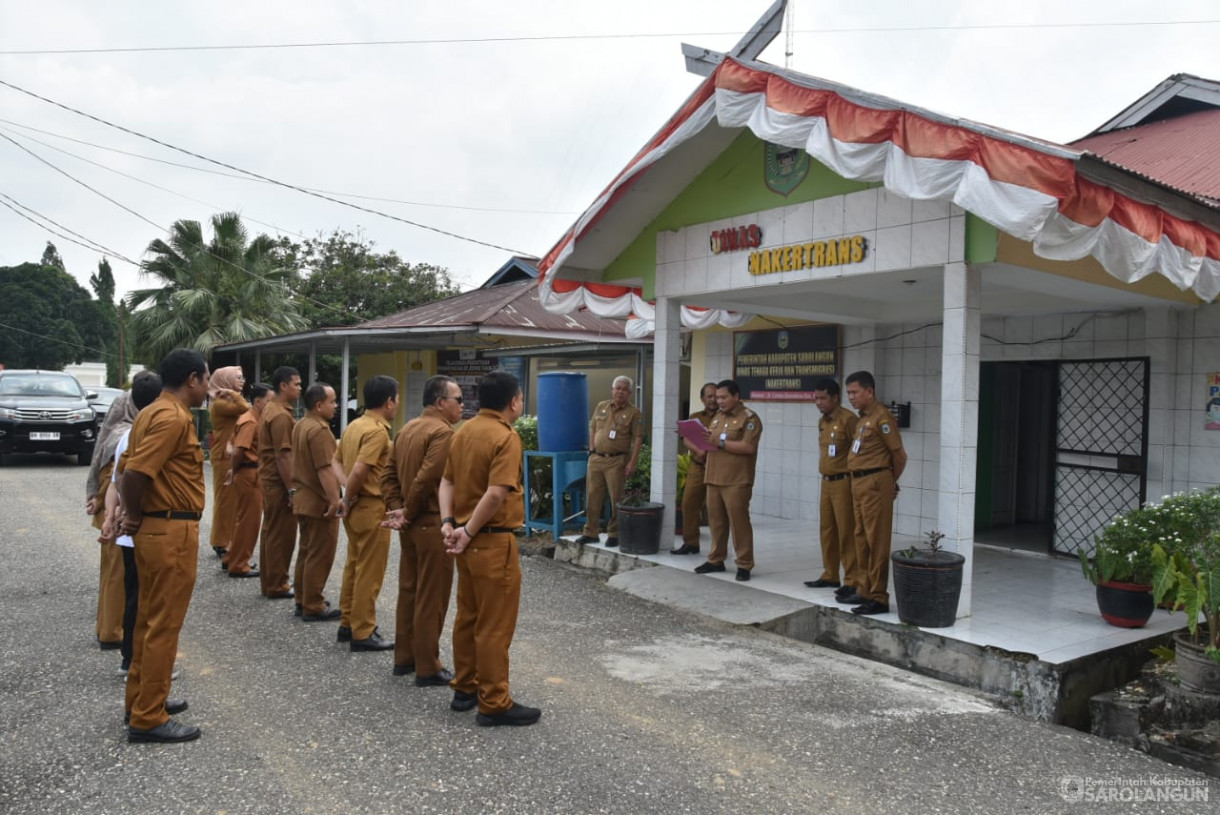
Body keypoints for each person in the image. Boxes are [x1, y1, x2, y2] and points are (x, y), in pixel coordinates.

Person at [118, 349, 210, 743]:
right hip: (168, 529)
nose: (207, 387)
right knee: (162, 626)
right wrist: (134, 515)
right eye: (206, 379)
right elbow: (135, 474)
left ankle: (143, 699)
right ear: (192, 379)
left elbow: (127, 467)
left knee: (148, 622)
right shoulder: (171, 417)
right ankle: (148, 717)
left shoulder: (152, 412)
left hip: (161, 529)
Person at [439, 369, 539, 727]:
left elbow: (446, 480)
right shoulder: (505, 437)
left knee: (468, 617)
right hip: (493, 540)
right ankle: (494, 700)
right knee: (494, 625)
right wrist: (465, 529)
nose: (521, 405)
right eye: (521, 399)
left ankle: (465, 687)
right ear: (513, 402)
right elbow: (497, 493)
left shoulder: (463, 431)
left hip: (467, 543)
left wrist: (449, 522)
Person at [383, 375, 461, 684]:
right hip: (429, 522)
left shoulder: (408, 427)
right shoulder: (443, 433)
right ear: (441, 403)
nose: (462, 406)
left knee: (409, 591)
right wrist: (408, 511)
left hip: (411, 523)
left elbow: (388, 473)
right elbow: (428, 478)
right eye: (458, 399)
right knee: (432, 596)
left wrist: (398, 508)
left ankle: (404, 657)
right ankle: (427, 665)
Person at [99, 371, 163, 676]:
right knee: (144, 601)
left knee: (136, 597)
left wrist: (110, 517)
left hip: (129, 531)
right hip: (143, 530)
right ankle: (138, 663)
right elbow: (129, 478)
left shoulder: (127, 434)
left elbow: (114, 482)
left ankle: (132, 660)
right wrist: (130, 516)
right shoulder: (150, 433)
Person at [335, 375, 399, 651]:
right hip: (371, 505)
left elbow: (336, 462)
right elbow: (361, 468)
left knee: (354, 565)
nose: (396, 406)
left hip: (355, 506)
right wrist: (350, 495)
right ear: (388, 402)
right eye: (396, 400)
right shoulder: (376, 431)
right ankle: (363, 630)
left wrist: (346, 493)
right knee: (369, 572)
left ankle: (347, 622)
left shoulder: (354, 425)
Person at [841, 370, 907, 616]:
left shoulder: (882, 417)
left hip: (875, 483)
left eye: (855, 392)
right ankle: (864, 588)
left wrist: (889, 481)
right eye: (849, 393)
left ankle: (879, 597)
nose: (851, 397)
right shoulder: (863, 419)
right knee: (860, 537)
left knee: (876, 540)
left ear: (870, 391)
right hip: (859, 483)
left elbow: (899, 456)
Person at [695, 379, 763, 582]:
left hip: (736, 480)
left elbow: (749, 447)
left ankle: (744, 564)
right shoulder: (717, 416)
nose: (719, 401)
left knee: (738, 523)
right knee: (716, 523)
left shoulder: (749, 418)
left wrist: (720, 443)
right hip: (714, 476)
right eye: (717, 397)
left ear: (736, 396)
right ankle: (716, 559)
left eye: (723, 397)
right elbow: (713, 441)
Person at [86, 390, 135, 651]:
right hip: (117, 513)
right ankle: (113, 631)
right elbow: (122, 480)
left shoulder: (113, 431)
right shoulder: (127, 436)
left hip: (108, 509)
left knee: (110, 572)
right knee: (119, 573)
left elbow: (98, 468)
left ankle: (105, 625)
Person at [291, 382, 344, 622]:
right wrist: (335, 501)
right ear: (319, 405)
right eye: (332, 401)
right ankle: (313, 603)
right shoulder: (320, 430)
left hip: (304, 498)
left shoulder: (302, 424)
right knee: (320, 554)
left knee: (306, 551)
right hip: (319, 500)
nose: (337, 405)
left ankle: (303, 598)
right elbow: (325, 470)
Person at [805, 378, 861, 594]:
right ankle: (830, 574)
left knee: (846, 530)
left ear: (835, 397)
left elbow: (858, 452)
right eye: (816, 398)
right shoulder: (823, 421)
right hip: (826, 482)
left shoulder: (849, 420)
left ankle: (852, 579)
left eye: (823, 398)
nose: (818, 402)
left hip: (844, 482)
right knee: (827, 530)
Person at [575, 376, 644, 548]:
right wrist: (591, 449)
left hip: (617, 460)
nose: (620, 391)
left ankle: (614, 533)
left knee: (616, 498)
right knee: (592, 496)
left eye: (624, 389)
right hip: (597, 458)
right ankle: (590, 532)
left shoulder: (634, 413)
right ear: (612, 390)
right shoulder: (601, 406)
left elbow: (638, 438)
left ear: (629, 393)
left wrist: (632, 462)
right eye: (617, 388)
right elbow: (592, 428)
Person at [258, 366, 301, 600]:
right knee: (281, 535)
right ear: (283, 386)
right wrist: (292, 489)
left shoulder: (271, 409)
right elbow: (283, 455)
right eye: (297, 384)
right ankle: (277, 583)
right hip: (278, 482)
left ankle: (270, 581)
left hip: (270, 480)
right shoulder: (281, 415)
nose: (300, 389)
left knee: (271, 532)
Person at [226, 384, 270, 578]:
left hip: (247, 473)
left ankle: (231, 557)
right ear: (258, 402)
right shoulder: (251, 421)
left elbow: (231, 444)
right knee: (249, 522)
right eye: (269, 401)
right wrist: (234, 470)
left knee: (241, 519)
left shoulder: (248, 418)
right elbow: (238, 450)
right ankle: (239, 564)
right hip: (250, 474)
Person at [207, 366, 249, 563]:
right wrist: (233, 393)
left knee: (232, 501)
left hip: (229, 454)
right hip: (224, 455)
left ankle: (227, 540)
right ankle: (222, 542)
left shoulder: (226, 400)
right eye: (238, 378)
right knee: (226, 501)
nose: (242, 381)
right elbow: (247, 409)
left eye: (242, 378)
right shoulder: (221, 402)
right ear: (224, 381)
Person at [673, 382, 718, 555]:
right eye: (709, 396)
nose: (713, 400)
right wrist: (698, 451)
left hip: (717, 467)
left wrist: (708, 454)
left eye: (716, 396)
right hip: (697, 466)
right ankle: (691, 543)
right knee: (689, 504)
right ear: (702, 399)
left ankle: (718, 548)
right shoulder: (695, 416)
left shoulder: (724, 418)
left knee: (716, 510)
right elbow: (685, 438)